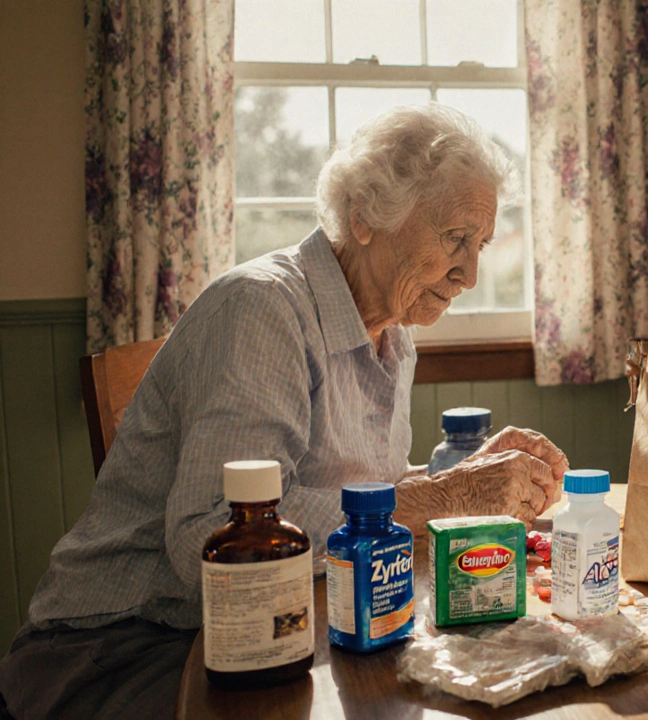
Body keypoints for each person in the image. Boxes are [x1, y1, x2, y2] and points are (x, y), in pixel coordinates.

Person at [0, 105, 568, 719]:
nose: (471, 273)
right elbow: (215, 536)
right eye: (455, 238)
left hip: (271, 626)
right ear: (366, 216)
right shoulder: (263, 308)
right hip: (124, 645)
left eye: (480, 245)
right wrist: (449, 495)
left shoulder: (392, 336)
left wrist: (460, 481)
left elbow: (353, 499)